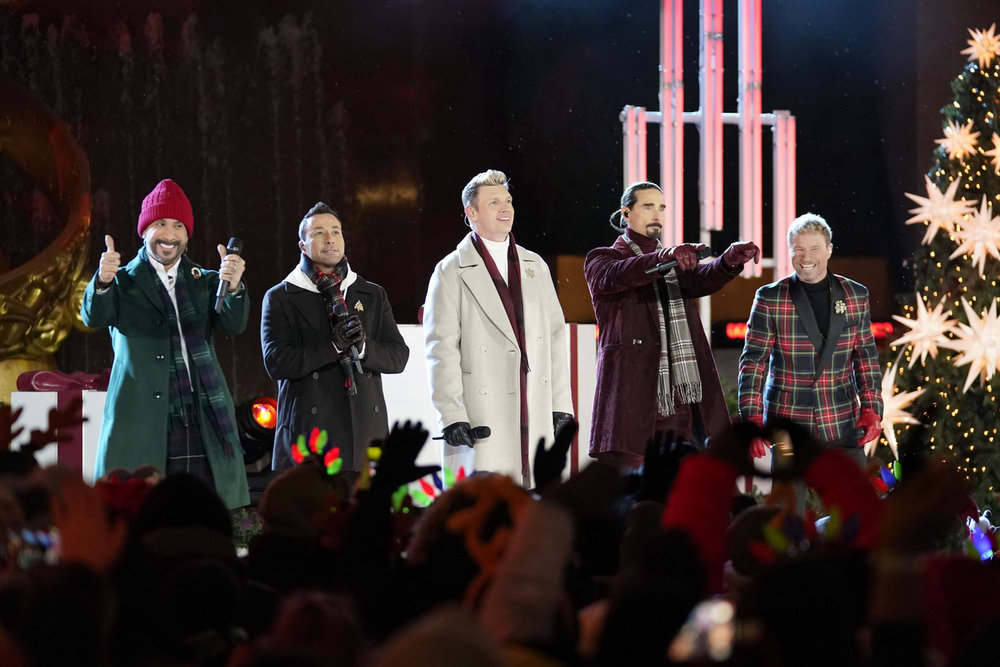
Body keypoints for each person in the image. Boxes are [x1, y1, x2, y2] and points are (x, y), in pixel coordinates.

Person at [80, 178, 250, 508]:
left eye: (178, 226)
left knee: (211, 509)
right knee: (143, 512)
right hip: (143, 417)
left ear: (188, 235)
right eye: (160, 224)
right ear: (144, 231)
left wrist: (234, 286)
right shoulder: (123, 280)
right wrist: (102, 280)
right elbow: (93, 318)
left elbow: (234, 324)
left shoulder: (205, 281)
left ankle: (227, 557)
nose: (169, 235)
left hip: (202, 412)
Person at [584, 181, 761, 471]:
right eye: (648, 206)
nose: (657, 213)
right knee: (630, 498)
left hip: (679, 400)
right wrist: (664, 258)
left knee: (674, 493)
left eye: (662, 207)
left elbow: (700, 279)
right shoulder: (602, 258)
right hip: (632, 397)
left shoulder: (673, 262)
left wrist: (728, 261)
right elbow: (620, 274)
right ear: (625, 214)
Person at [423, 169, 573, 487]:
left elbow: (556, 339)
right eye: (494, 202)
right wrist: (451, 414)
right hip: (482, 411)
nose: (506, 207)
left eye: (508, 200)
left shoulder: (535, 265)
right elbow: (441, 347)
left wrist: (561, 405)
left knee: (533, 505)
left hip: (534, 405)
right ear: (471, 212)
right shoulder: (450, 270)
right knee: (482, 508)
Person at [261, 202, 409, 472]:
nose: (330, 239)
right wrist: (332, 346)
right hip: (308, 434)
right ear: (302, 245)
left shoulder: (371, 293)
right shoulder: (281, 296)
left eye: (336, 231)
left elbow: (398, 357)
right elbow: (277, 363)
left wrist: (363, 347)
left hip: (365, 431)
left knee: (365, 513)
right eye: (318, 233)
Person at [737, 213, 883, 466]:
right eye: (798, 249)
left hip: (842, 421)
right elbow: (753, 363)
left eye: (814, 248)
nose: (806, 257)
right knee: (787, 507)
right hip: (788, 424)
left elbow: (865, 357)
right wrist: (751, 417)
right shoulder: (769, 298)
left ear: (829, 250)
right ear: (790, 251)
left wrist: (872, 409)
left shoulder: (855, 295)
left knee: (856, 504)